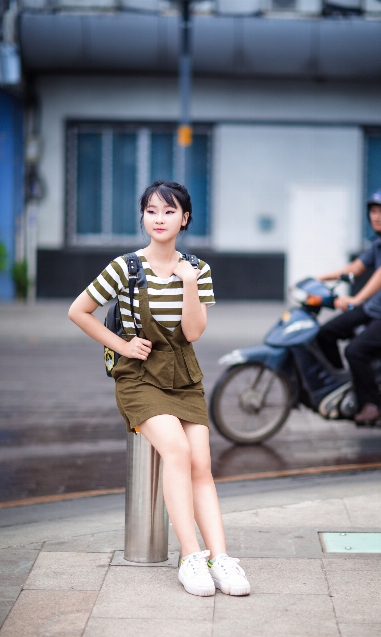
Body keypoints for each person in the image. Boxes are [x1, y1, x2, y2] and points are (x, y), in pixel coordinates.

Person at [68, 181, 250, 597]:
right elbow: (79, 311)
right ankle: (190, 557)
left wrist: (186, 282)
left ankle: (219, 557)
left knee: (201, 463)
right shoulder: (125, 267)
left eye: (169, 212)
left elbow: (194, 332)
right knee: (178, 451)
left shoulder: (198, 269)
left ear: (184, 218)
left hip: (185, 375)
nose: (159, 219)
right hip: (138, 377)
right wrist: (122, 344)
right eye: (151, 211)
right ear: (143, 217)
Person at [316, 189, 381, 426]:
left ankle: (372, 405)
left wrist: (356, 299)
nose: (376, 216)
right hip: (376, 308)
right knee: (325, 333)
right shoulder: (378, 244)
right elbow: (355, 268)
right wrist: (319, 279)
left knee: (355, 350)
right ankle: (346, 382)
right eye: (373, 211)